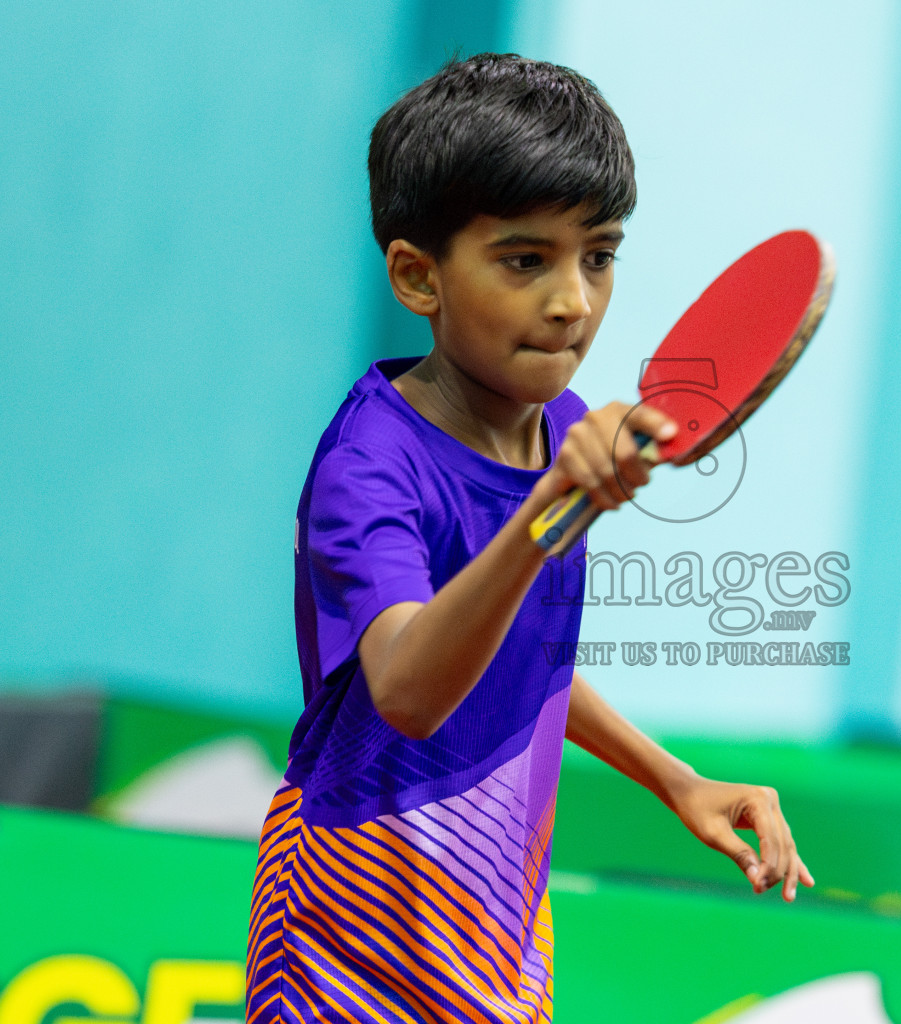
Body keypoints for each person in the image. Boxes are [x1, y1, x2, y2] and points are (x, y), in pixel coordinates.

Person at [247, 54, 813, 1024]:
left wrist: (674, 780)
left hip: (496, 922)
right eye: (525, 261)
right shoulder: (371, 465)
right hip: (348, 923)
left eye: (597, 255)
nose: (573, 302)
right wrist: (551, 506)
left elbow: (518, 655)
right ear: (418, 275)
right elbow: (413, 690)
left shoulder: (560, 425)